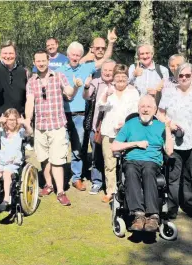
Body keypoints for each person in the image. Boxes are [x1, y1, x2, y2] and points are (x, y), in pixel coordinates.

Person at [112, 94, 174, 232]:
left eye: (149, 107)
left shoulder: (161, 126)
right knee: (131, 171)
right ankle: (138, 215)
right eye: (142, 106)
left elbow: (169, 152)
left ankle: (153, 216)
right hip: (131, 160)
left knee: (148, 170)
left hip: (152, 161)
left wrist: (168, 129)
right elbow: (114, 146)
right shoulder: (130, 124)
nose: (145, 109)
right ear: (138, 108)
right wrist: (135, 144)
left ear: (155, 109)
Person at [158, 63, 192, 219]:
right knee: (173, 176)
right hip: (173, 140)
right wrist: (169, 123)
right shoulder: (168, 93)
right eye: (181, 75)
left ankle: (189, 205)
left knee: (190, 175)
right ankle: (172, 207)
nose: (184, 78)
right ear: (176, 77)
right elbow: (159, 114)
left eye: (188, 75)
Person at [59, 39, 111, 192]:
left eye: (78, 55)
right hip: (62, 114)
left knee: (78, 148)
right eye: (73, 54)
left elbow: (105, 59)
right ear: (68, 55)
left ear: (81, 56)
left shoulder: (86, 67)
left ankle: (76, 178)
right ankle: (61, 178)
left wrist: (111, 43)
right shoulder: (60, 71)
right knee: (61, 148)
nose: (75, 57)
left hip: (80, 115)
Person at [25, 50, 75, 206]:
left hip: (57, 125)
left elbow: (69, 92)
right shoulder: (32, 81)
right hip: (40, 126)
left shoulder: (59, 76)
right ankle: (48, 185)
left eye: (43, 60)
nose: (40, 63)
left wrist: (76, 87)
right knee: (44, 159)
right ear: (34, 62)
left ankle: (60, 192)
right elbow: (29, 102)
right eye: (37, 61)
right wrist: (28, 120)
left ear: (48, 61)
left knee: (58, 160)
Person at [96, 64, 140, 203]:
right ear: (113, 78)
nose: (121, 79)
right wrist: (105, 95)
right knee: (109, 163)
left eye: (124, 76)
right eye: (118, 76)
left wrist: (126, 124)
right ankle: (111, 191)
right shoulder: (108, 90)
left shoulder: (133, 91)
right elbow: (101, 107)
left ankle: (128, 190)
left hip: (128, 133)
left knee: (128, 163)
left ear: (128, 78)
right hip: (109, 132)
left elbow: (136, 112)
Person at [0, 41, 28, 161]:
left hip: (15, 119)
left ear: (16, 54)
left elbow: (25, 96)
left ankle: (16, 177)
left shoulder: (22, 71)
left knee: (17, 152)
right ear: (1, 54)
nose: (8, 56)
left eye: (11, 53)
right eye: (5, 53)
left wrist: (25, 116)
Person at [0, 109, 33, 208]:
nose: (11, 122)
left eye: (14, 119)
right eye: (9, 119)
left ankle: (6, 199)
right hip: (1, 161)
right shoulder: (2, 132)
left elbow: (30, 132)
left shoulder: (20, 132)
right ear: (5, 120)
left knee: (7, 174)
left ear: (17, 120)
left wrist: (24, 123)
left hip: (13, 162)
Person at [82, 60, 117, 196]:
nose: (108, 73)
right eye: (105, 70)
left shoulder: (118, 84)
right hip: (96, 126)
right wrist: (86, 86)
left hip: (114, 127)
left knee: (111, 157)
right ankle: (97, 181)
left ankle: (112, 184)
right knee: (96, 156)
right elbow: (86, 96)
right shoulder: (96, 82)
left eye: (110, 70)